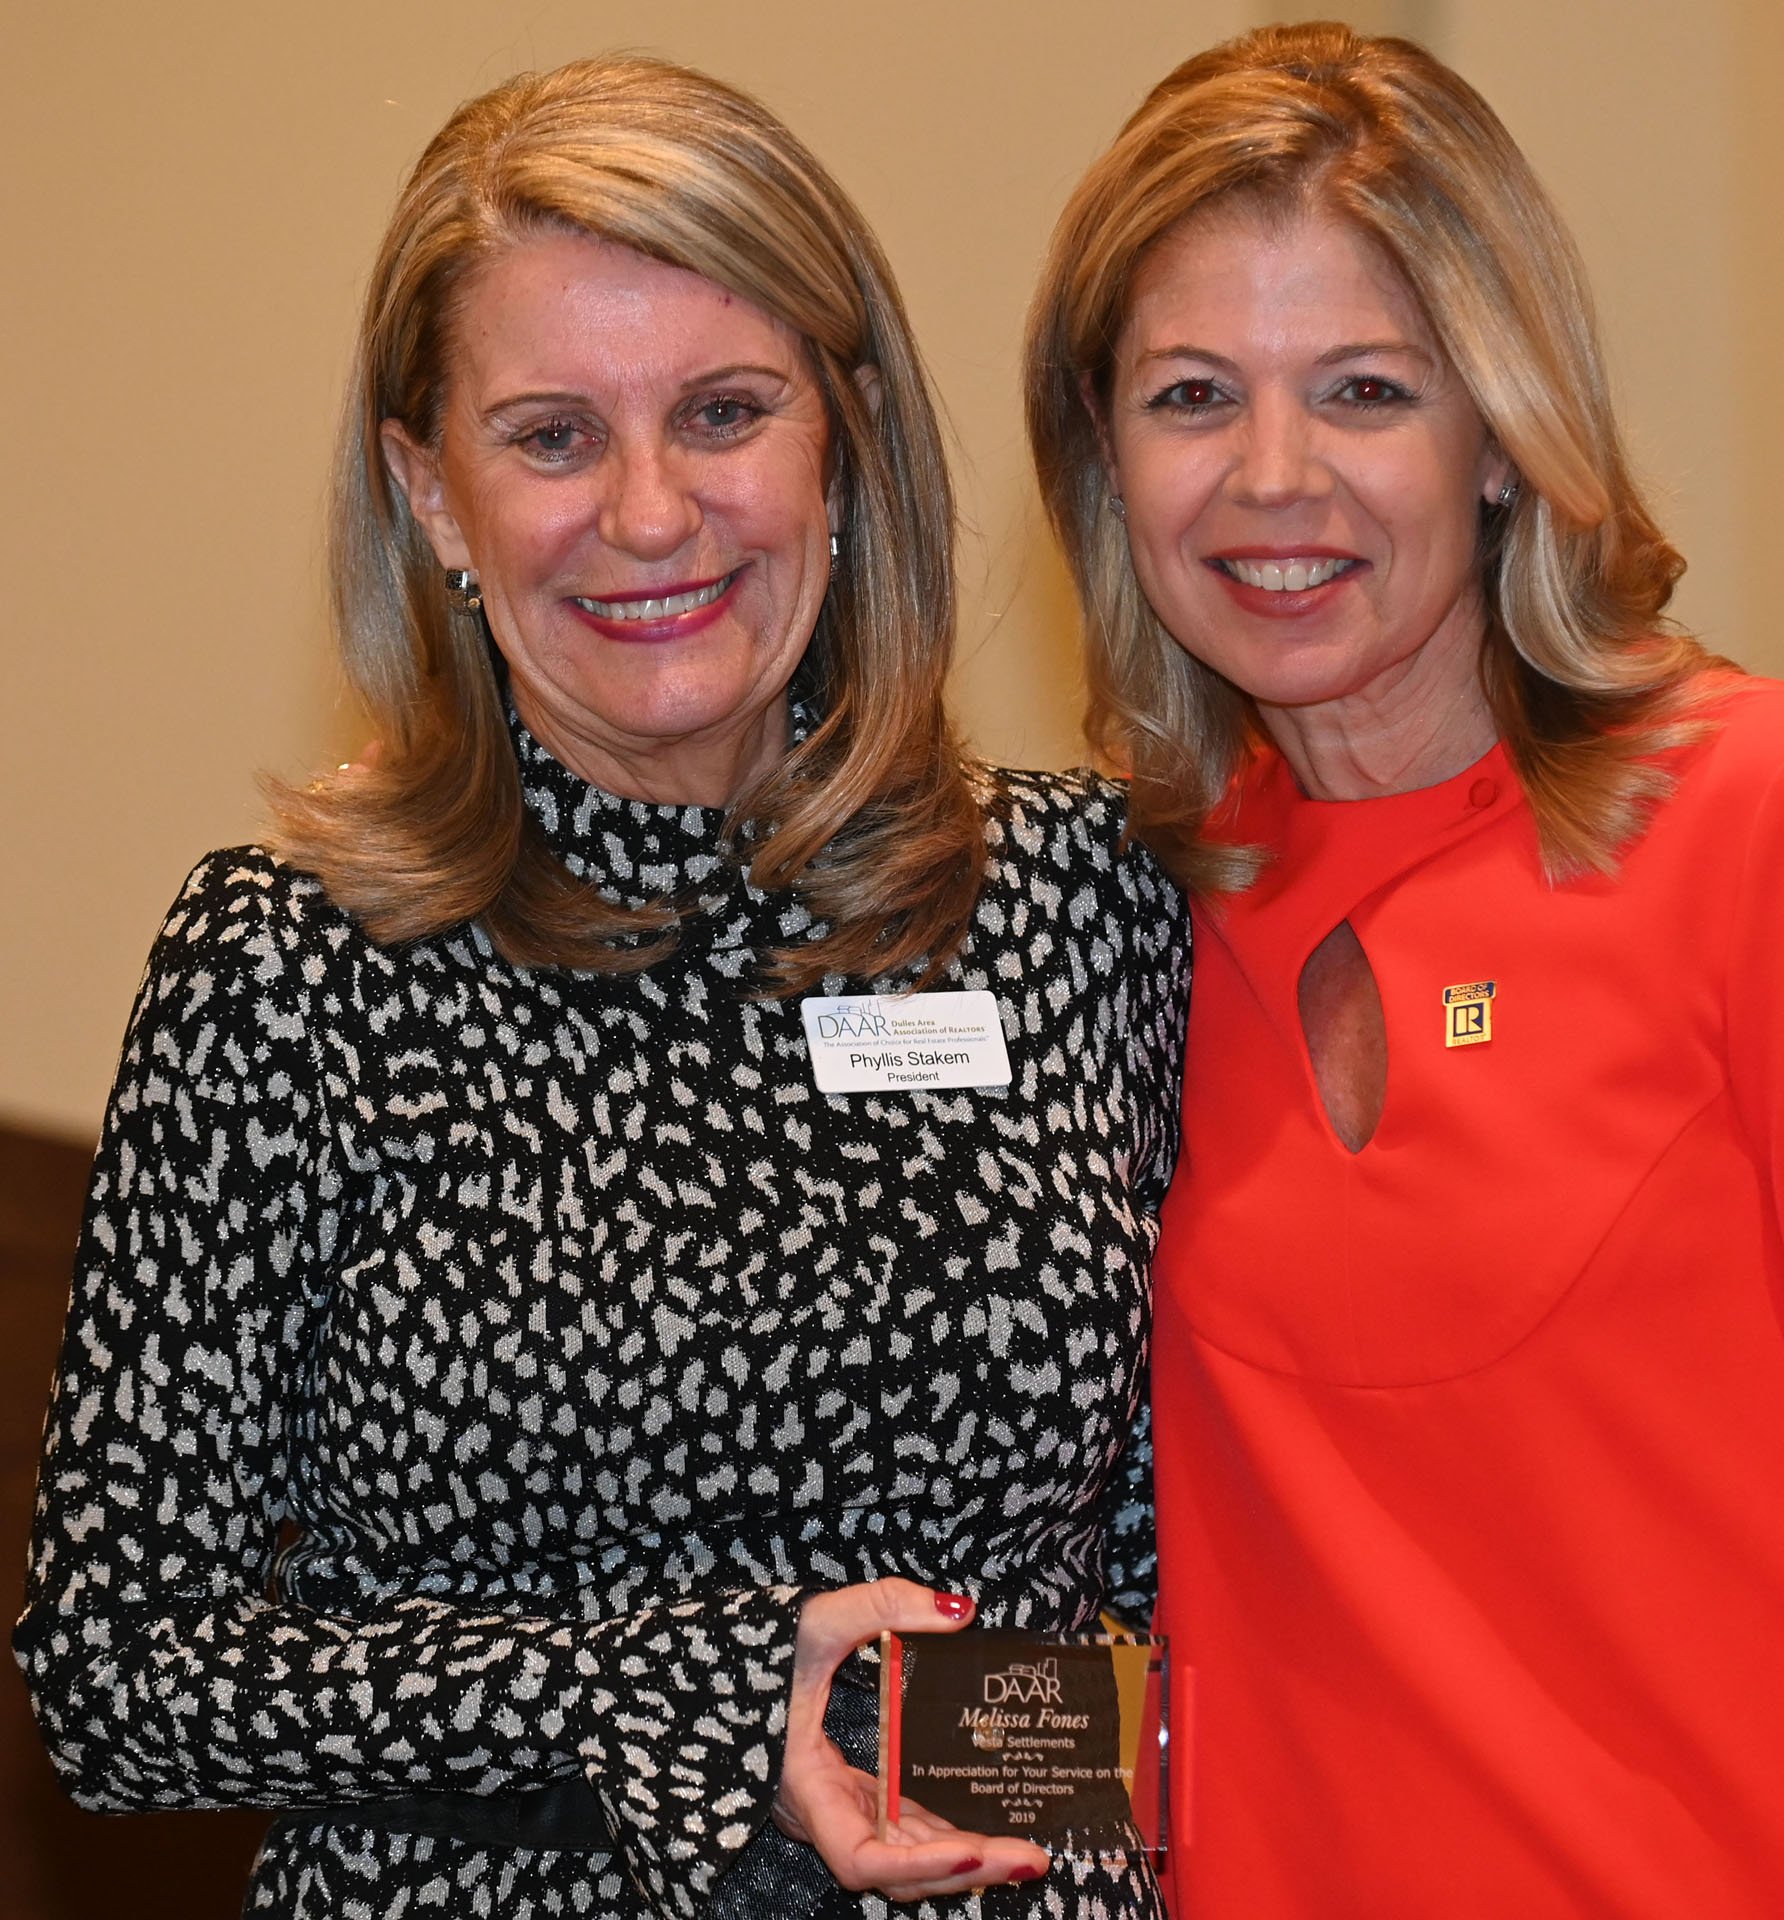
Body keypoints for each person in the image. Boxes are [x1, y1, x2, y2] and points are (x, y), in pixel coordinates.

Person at [15, 55, 1187, 1920]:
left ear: (842, 439)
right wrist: (692, 1690)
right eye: (553, 437)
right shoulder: (287, 968)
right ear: (431, 493)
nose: (652, 514)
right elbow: (118, 1679)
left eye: (724, 413)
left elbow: (1169, 1591)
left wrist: (948, 1759)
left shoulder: (1079, 901)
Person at [1025, 20, 1784, 1919]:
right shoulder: (1117, 914)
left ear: (1503, 436)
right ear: (1104, 455)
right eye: (1192, 397)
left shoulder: (1780, 816)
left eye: (1366, 390)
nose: (1274, 477)